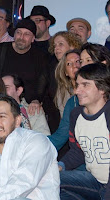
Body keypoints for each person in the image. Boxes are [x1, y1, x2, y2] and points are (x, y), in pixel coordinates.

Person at [59, 63, 110, 199]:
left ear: (102, 89)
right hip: (94, 182)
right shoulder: (76, 115)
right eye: (77, 85)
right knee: (48, 180)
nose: (77, 91)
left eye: (85, 85)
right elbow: (78, 151)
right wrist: (60, 166)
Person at [49, 43, 110, 152]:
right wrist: (35, 143)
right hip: (81, 165)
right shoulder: (73, 102)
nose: (81, 66)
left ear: (103, 64)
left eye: (88, 60)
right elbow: (61, 136)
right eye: (81, 61)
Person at [0, 18, 49, 104]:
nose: (21, 37)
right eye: (19, 32)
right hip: (3, 101)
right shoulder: (2, 49)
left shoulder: (40, 56)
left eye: (26, 34)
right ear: (14, 34)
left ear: (33, 39)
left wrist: (36, 100)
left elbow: (43, 83)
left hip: (29, 106)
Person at [54, 49, 81, 117]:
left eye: (77, 61)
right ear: (65, 72)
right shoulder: (62, 92)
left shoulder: (94, 87)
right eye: (69, 64)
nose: (74, 66)